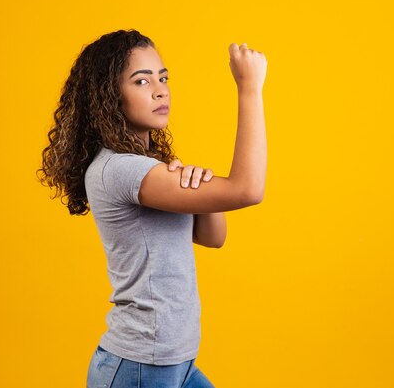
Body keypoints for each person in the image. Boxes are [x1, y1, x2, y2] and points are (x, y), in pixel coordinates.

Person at [37, 29, 267, 388]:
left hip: (174, 363)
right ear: (110, 97)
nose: (160, 89)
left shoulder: (149, 165)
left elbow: (212, 237)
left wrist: (203, 187)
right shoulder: (123, 169)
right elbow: (248, 190)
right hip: (140, 368)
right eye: (142, 81)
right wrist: (249, 87)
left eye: (163, 78)